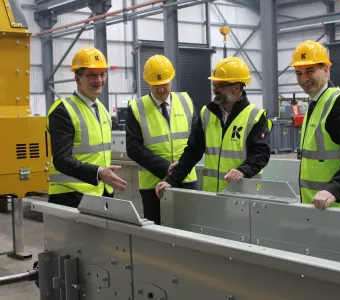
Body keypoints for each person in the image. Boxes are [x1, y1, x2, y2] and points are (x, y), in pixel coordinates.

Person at [156, 57, 272, 197]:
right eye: (214, 84)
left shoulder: (255, 117)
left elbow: (261, 154)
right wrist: (172, 180)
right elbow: (193, 151)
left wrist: (243, 170)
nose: (215, 89)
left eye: (220, 85)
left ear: (237, 88)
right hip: (213, 197)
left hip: (244, 197)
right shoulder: (207, 114)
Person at [291, 40, 340, 211]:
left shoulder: (339, 102)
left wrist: (334, 189)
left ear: (326, 70)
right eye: (298, 73)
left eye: (310, 71)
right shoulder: (314, 104)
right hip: (319, 209)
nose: (304, 79)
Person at [47, 46, 127, 208]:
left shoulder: (103, 110)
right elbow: (61, 160)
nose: (98, 80)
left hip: (101, 192)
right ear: (77, 78)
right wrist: (98, 173)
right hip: (70, 195)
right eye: (91, 75)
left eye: (102, 74)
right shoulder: (63, 110)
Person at [125, 54, 198, 224]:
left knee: (190, 229)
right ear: (148, 82)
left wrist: (181, 167)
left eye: (164, 84)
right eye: (156, 85)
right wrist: (166, 168)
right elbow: (133, 147)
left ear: (171, 79)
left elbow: (196, 140)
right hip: (153, 184)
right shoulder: (136, 108)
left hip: (186, 179)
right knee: (158, 232)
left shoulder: (186, 100)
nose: (161, 89)